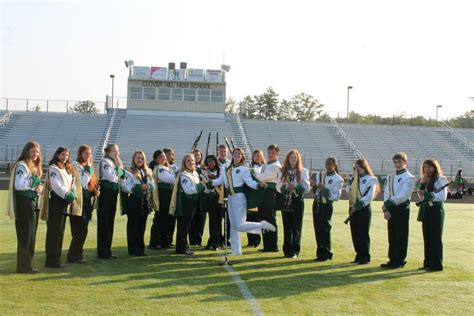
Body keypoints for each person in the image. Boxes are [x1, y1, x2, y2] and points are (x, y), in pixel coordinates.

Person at [205, 148, 276, 256]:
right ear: (232, 155)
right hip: (230, 198)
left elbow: (251, 182)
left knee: (239, 225)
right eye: (235, 153)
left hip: (239, 197)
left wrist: (258, 185)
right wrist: (210, 182)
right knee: (233, 226)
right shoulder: (225, 169)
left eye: (239, 154)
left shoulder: (244, 169)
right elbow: (220, 181)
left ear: (242, 156)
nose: (237, 155)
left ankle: (261, 226)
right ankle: (236, 250)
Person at [40, 146, 82, 268]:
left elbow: (73, 182)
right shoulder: (53, 168)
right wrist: (67, 194)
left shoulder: (68, 169)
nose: (65, 157)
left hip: (65, 202)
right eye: (62, 155)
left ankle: (56, 259)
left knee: (60, 231)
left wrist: (73, 192)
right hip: (57, 202)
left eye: (67, 155)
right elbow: (56, 185)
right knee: (54, 232)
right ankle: (51, 261)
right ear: (57, 155)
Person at [6, 141, 44, 273]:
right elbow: (19, 185)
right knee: (26, 235)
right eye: (33, 151)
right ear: (27, 151)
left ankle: (27, 265)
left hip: (31, 202)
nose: (35, 154)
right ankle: (24, 267)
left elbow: (33, 185)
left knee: (31, 235)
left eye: (37, 152)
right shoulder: (22, 165)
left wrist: (39, 187)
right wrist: (34, 182)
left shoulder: (32, 165)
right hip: (24, 204)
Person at [381, 152, 415, 269]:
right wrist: (386, 209)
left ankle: (400, 260)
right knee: (392, 235)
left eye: (400, 162)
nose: (397, 164)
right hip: (391, 208)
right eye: (395, 162)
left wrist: (387, 204)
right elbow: (387, 192)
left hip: (401, 208)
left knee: (401, 235)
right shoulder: (391, 176)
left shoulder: (409, 177)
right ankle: (392, 259)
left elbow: (403, 196)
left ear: (405, 163)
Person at [67, 145, 99, 264]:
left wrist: (95, 191)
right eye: (86, 153)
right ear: (80, 154)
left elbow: (89, 184)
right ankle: (73, 255)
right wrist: (89, 171)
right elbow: (80, 183)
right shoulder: (75, 165)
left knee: (82, 230)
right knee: (79, 230)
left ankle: (77, 254)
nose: (88, 156)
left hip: (86, 201)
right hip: (77, 201)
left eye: (90, 154)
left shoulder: (87, 166)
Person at [122, 150, 157, 256]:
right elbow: (124, 186)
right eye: (138, 158)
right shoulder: (128, 171)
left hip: (145, 200)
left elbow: (152, 185)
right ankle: (133, 250)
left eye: (142, 158)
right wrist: (139, 187)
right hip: (134, 200)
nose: (140, 160)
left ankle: (140, 249)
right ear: (133, 159)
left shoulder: (148, 171)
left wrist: (149, 187)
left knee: (142, 225)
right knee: (133, 225)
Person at [277, 149, 310, 258]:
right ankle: (286, 250)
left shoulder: (303, 171)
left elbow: (307, 188)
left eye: (295, 158)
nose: (293, 159)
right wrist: (285, 187)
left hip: (297, 202)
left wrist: (295, 186)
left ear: (298, 159)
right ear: (288, 159)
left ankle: (295, 251)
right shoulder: (283, 171)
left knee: (296, 227)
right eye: (291, 157)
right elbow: (278, 186)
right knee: (287, 227)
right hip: (285, 201)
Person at [170, 154, 205, 255]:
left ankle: (183, 246)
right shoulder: (184, 174)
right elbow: (188, 190)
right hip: (186, 202)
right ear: (184, 163)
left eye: (192, 161)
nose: (191, 163)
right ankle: (181, 248)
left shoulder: (194, 173)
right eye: (188, 161)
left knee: (187, 225)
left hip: (193, 202)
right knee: (183, 225)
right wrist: (200, 186)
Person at [417, 159, 448, 272]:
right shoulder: (424, 180)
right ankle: (428, 262)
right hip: (427, 210)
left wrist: (428, 194)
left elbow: (442, 197)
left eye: (429, 167)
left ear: (435, 168)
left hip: (436, 210)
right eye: (425, 167)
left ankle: (436, 264)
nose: (427, 170)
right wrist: (423, 184)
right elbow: (421, 197)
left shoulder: (441, 179)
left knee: (435, 237)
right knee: (427, 237)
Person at [346, 159, 379, 264]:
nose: (358, 169)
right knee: (355, 233)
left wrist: (358, 205)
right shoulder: (353, 179)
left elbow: (370, 195)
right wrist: (350, 181)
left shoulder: (371, 179)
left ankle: (365, 257)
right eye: (356, 167)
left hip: (363, 209)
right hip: (352, 207)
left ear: (364, 167)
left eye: (359, 166)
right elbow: (349, 192)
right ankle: (358, 255)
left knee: (363, 233)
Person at [312, 157, 343, 262]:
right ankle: (320, 253)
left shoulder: (338, 179)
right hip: (317, 204)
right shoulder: (320, 174)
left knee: (325, 229)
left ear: (334, 164)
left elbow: (336, 196)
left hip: (326, 206)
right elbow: (316, 191)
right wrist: (314, 186)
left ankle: (327, 253)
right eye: (326, 164)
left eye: (329, 164)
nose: (327, 166)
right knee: (317, 229)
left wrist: (324, 189)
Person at [97, 143, 124, 259]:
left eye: (117, 151)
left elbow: (122, 176)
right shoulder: (105, 162)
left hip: (113, 193)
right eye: (114, 151)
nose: (117, 153)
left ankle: (107, 250)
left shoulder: (113, 162)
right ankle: (102, 251)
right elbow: (112, 177)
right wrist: (118, 167)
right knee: (104, 222)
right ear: (108, 152)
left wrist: (119, 165)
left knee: (110, 222)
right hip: (106, 193)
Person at [255, 144, 281, 253]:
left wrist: (252, 173)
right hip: (264, 192)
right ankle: (267, 245)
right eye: (269, 153)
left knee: (269, 218)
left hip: (270, 193)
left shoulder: (276, 166)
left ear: (277, 154)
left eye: (273, 153)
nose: (270, 155)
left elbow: (262, 177)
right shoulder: (266, 165)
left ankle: (273, 245)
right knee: (263, 218)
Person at [149, 149, 176, 250]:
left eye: (164, 156)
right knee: (160, 219)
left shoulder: (167, 167)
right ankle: (155, 242)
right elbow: (172, 179)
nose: (163, 158)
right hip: (163, 196)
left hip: (169, 195)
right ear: (156, 159)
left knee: (167, 219)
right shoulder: (160, 168)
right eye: (160, 157)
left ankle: (165, 241)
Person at [201, 155, 224, 250]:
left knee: (219, 220)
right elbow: (205, 185)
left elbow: (222, 182)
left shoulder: (220, 170)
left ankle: (218, 240)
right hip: (210, 199)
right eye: (208, 161)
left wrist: (214, 179)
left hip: (220, 198)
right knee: (213, 220)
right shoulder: (204, 172)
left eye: (212, 161)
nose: (211, 163)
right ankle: (213, 241)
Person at [246, 149, 265, 248]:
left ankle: (256, 241)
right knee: (249, 219)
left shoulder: (264, 168)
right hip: (250, 196)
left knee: (257, 219)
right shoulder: (249, 168)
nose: (257, 157)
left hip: (260, 196)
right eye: (255, 156)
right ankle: (250, 241)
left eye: (259, 156)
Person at [189, 148, 206, 246]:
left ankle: (198, 241)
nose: (197, 157)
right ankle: (192, 240)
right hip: (193, 194)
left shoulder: (204, 167)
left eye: (198, 155)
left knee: (201, 218)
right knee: (193, 218)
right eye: (195, 155)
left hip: (202, 196)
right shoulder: (190, 168)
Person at [163, 147, 178, 245]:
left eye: (172, 154)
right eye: (168, 154)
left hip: (173, 194)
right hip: (165, 195)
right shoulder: (161, 167)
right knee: (164, 218)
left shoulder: (174, 167)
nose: (170, 156)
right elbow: (173, 179)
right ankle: (161, 240)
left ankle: (168, 240)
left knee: (172, 218)